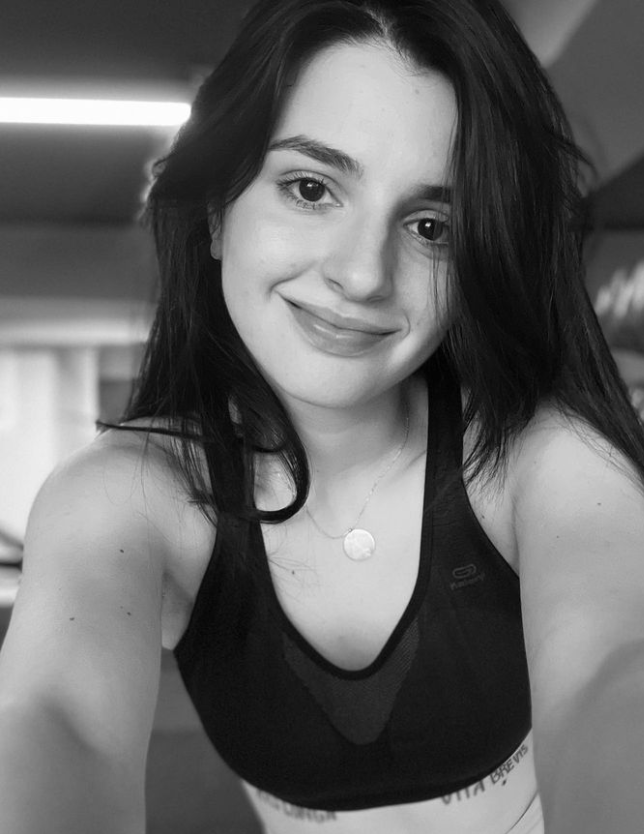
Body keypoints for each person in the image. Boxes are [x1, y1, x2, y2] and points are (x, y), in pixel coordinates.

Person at [2, 1, 644, 832]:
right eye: (310, 188)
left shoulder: (544, 460)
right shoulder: (128, 497)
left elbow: (615, 673)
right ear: (216, 209)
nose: (364, 274)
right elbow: (59, 722)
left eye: (431, 226)